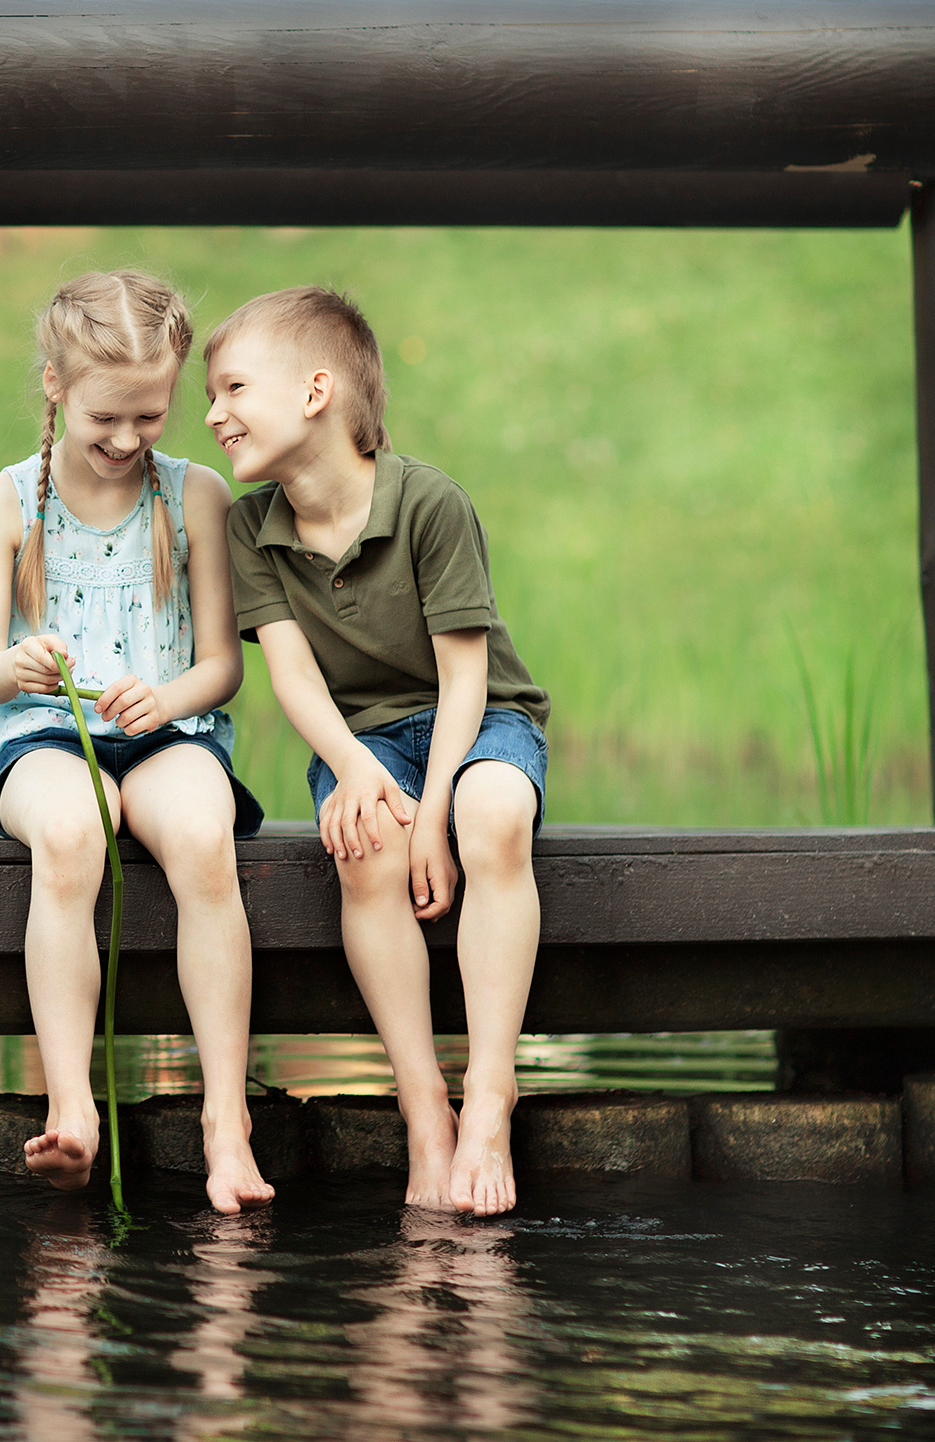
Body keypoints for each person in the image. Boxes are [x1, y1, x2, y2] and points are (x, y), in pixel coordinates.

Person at [204, 286, 549, 1217]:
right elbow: (293, 680)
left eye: (234, 387)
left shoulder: (427, 500)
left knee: (495, 817)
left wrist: (433, 809)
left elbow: (467, 680)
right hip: (358, 741)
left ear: (316, 390)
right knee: (366, 850)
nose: (212, 413)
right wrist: (356, 770)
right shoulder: (250, 530)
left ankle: (488, 1094)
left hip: (474, 725)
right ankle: (423, 1105)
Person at [0, 269, 272, 1215]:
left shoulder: (198, 496)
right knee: (70, 834)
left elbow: (223, 664)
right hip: (45, 735)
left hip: (163, 729)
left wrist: (164, 695)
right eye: (107, 416)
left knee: (205, 840)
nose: (130, 439)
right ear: (54, 383)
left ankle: (226, 1116)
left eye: (152, 415)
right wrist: (22, 664)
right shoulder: (4, 502)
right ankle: (72, 1105)